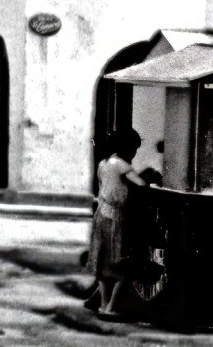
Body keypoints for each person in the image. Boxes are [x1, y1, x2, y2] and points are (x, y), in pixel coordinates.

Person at [88, 128, 149, 318]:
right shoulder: (122, 165)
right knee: (118, 263)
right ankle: (111, 307)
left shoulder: (103, 164)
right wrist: (150, 176)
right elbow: (141, 184)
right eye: (134, 148)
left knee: (102, 262)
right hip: (114, 216)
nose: (134, 153)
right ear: (126, 147)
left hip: (100, 214)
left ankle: (103, 304)